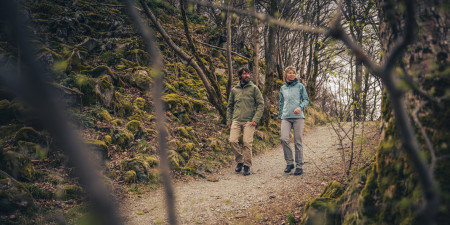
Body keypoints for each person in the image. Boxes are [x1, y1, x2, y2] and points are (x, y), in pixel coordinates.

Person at [227, 67, 264, 176]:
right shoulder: (234, 90)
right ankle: (240, 161)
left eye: (248, 73)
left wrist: (255, 119)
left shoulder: (254, 88)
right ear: (240, 76)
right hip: (236, 120)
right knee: (232, 140)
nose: (247, 75)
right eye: (244, 74)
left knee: (247, 142)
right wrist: (229, 121)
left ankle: (247, 166)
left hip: (249, 121)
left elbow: (261, 104)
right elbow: (230, 107)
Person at [278, 66, 309, 175]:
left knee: (297, 141)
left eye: (293, 73)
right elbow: (281, 103)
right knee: (284, 139)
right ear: (286, 74)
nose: (291, 74)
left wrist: (300, 108)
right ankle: (290, 163)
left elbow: (306, 100)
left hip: (298, 117)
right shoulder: (283, 88)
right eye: (289, 73)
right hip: (285, 117)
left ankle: (299, 165)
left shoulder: (300, 86)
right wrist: (280, 116)